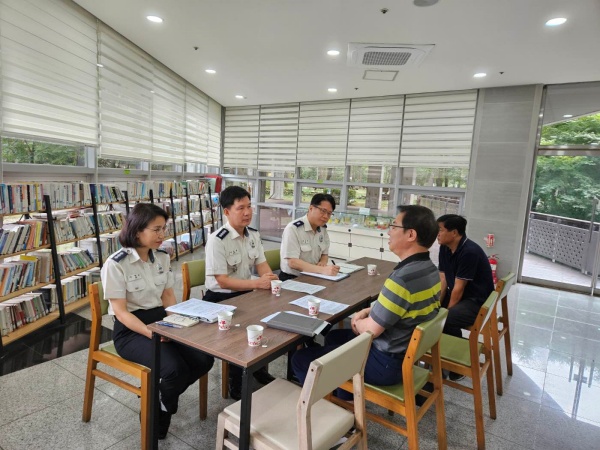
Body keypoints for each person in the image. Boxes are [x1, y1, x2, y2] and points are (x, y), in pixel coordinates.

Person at [292, 205, 441, 394]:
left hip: (385, 364)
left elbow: (370, 330)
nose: (389, 232)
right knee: (334, 336)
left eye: (394, 226)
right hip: (402, 353)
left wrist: (357, 321)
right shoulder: (430, 269)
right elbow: (400, 307)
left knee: (301, 359)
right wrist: (367, 311)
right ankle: (344, 393)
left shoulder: (402, 279)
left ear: (411, 234)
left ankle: (332, 401)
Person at [101, 203, 214, 440]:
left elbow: (168, 296)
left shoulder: (162, 257)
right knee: (174, 369)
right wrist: (151, 333)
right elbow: (121, 313)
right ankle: (159, 414)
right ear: (137, 230)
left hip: (162, 320)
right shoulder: (116, 264)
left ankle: (159, 397)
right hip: (131, 330)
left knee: (204, 359)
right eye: (156, 229)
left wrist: (176, 324)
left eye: (164, 229)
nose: (162, 235)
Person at [204, 185, 279, 399]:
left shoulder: (253, 235)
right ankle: (235, 382)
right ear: (227, 212)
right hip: (220, 299)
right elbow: (223, 281)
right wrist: (258, 284)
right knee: (240, 334)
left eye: (249, 206)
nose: (247, 212)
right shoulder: (217, 240)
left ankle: (260, 369)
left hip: (246, 293)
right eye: (241, 208)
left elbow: (262, 265)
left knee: (268, 321)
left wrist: (270, 280)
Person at [436, 214, 494, 339]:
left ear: (454, 233)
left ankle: (452, 347)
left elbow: (459, 288)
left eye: (440, 230)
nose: (437, 234)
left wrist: (447, 311)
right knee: (428, 310)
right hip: (461, 295)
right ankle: (445, 344)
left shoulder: (469, 252)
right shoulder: (444, 248)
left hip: (476, 301)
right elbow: (443, 279)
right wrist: (437, 304)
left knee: (445, 319)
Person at [279, 193, 340, 281]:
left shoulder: (322, 229)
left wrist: (323, 262)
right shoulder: (293, 228)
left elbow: (324, 254)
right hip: (293, 278)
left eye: (329, 213)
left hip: (315, 275)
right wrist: (322, 270)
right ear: (311, 208)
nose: (326, 216)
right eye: (323, 211)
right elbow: (292, 262)